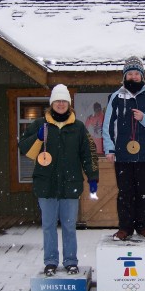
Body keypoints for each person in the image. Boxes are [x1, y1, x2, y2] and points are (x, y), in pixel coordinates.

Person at [19, 84, 99, 276]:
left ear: (69, 104)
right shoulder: (40, 125)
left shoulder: (79, 127)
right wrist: (37, 139)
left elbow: (88, 154)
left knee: (69, 226)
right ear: (52, 103)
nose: (61, 104)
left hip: (71, 184)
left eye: (64, 101)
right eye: (57, 101)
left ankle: (71, 261)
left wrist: (93, 176)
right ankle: (51, 262)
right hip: (45, 184)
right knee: (48, 226)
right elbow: (24, 149)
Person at [102, 56, 145, 241]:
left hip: (144, 155)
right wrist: (109, 149)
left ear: (142, 76)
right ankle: (125, 228)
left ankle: (144, 226)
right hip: (122, 155)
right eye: (129, 73)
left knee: (143, 194)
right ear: (124, 76)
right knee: (125, 194)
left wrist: (144, 117)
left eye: (136, 73)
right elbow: (108, 125)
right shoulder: (116, 97)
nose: (133, 77)